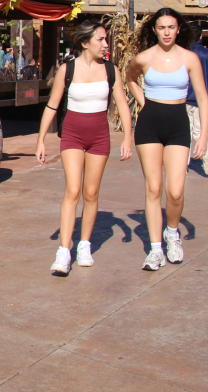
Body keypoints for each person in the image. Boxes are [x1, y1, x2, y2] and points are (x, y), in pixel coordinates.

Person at [37, 21, 134, 275]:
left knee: (91, 193)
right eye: (101, 40)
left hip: (100, 138)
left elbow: (123, 104)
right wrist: (41, 139)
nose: (105, 44)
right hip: (72, 135)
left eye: (105, 39)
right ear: (84, 43)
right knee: (73, 190)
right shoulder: (66, 70)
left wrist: (128, 137)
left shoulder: (111, 70)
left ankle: (84, 245)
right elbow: (52, 105)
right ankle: (63, 251)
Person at [126, 8, 208, 271]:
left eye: (171, 27)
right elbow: (129, 79)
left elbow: (204, 98)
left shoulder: (190, 59)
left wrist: (204, 136)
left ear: (178, 29)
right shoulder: (143, 58)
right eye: (162, 27)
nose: (166, 32)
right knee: (154, 189)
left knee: (175, 191)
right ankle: (154, 249)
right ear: (154, 29)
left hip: (178, 126)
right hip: (149, 126)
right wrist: (144, 103)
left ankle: (172, 233)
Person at [184, 22, 208, 175]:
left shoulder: (183, 53)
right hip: (202, 98)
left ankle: (183, 162)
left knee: (185, 131)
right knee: (200, 130)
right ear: (201, 36)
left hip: (184, 97)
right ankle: (206, 154)